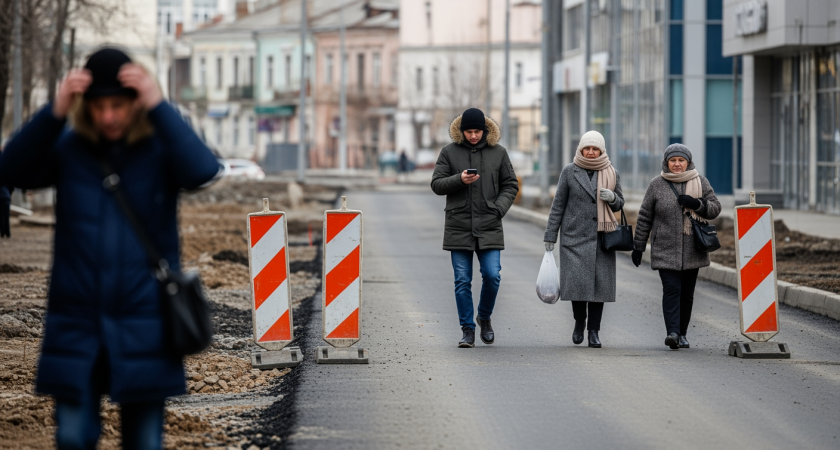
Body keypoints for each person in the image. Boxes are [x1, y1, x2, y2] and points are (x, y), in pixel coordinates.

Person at [0, 47, 220, 449]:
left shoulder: (159, 152)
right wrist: (55, 110)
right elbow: (10, 168)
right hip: (76, 322)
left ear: (135, 103)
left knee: (144, 443)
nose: (108, 116)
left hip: (145, 321)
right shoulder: (69, 150)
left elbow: (203, 169)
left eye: (118, 105)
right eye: (98, 106)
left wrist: (158, 103)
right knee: (72, 438)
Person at [431, 107, 519, 348]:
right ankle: (467, 329)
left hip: (490, 223)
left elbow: (510, 185)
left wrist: (498, 208)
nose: (473, 136)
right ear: (462, 131)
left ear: (485, 130)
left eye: (477, 131)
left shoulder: (498, 153)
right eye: (468, 131)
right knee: (462, 280)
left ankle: (485, 317)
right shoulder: (448, 152)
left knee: (492, 275)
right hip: (458, 225)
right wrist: (459, 179)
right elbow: (437, 184)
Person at [631, 144, 721, 350]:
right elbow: (645, 216)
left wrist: (697, 203)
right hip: (665, 248)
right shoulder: (656, 184)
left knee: (687, 294)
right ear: (666, 162)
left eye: (681, 160)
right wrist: (638, 246)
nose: (677, 164)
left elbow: (715, 208)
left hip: (693, 249)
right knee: (672, 290)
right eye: (673, 161)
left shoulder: (700, 181)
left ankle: (682, 334)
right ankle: (672, 332)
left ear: (688, 162)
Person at [543, 131, 624, 348]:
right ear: (580, 149)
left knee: (599, 289)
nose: (590, 152)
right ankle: (579, 322)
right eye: (586, 148)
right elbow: (558, 205)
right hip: (574, 238)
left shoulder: (611, 172)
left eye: (594, 149)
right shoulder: (570, 171)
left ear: (601, 150)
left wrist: (613, 198)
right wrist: (551, 234)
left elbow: (620, 203)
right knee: (578, 287)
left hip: (602, 239)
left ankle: (594, 332)